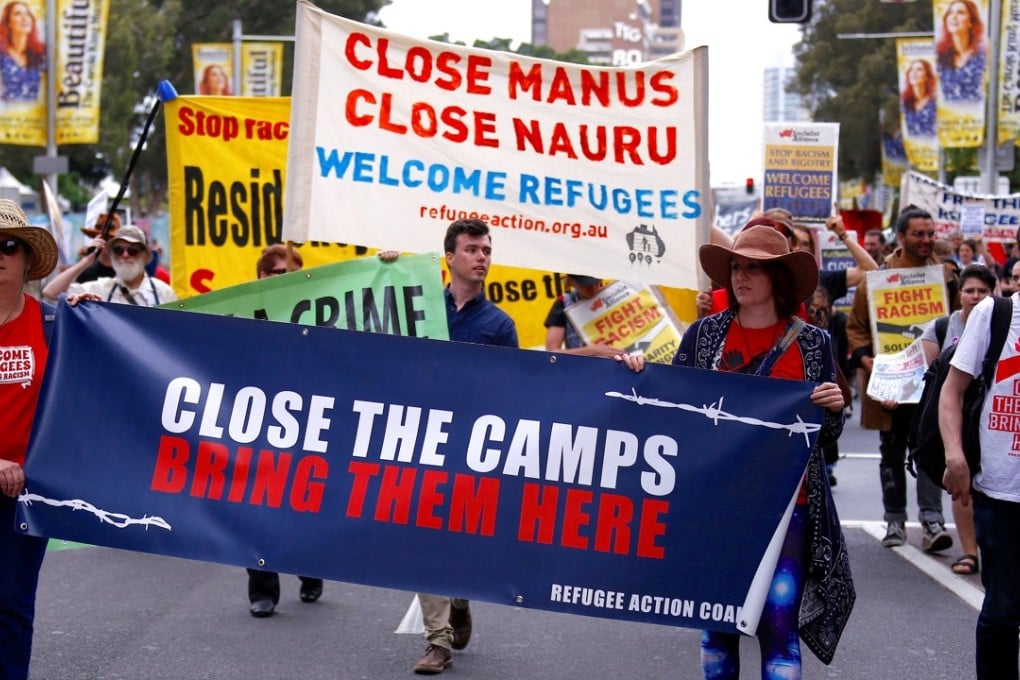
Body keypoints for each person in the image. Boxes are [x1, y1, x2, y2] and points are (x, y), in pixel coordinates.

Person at [620, 224, 854, 677]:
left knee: (778, 625)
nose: (741, 276)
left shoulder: (812, 343)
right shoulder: (703, 335)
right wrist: (636, 370)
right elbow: (673, 407)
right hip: (716, 505)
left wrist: (834, 408)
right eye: (736, 267)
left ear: (778, 279)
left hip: (789, 506)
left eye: (753, 268)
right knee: (717, 625)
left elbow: (826, 436)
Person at [413, 218, 518, 675]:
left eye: (487, 250)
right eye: (473, 249)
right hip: (423, 443)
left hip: (473, 450)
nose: (482, 257)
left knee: (460, 540)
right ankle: (438, 642)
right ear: (450, 257)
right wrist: (387, 272)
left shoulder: (500, 324)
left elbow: (514, 390)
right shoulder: (418, 308)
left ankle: (459, 597)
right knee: (424, 537)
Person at [847, 206, 960, 550]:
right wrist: (877, 372)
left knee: (930, 449)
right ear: (900, 237)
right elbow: (856, 331)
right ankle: (894, 521)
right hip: (890, 389)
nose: (926, 240)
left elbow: (957, 329)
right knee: (892, 452)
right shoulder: (875, 281)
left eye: (930, 234)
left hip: (932, 384)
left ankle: (931, 520)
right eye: (918, 234)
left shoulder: (945, 278)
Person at [940, 257, 1020, 680]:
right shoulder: (996, 313)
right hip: (1001, 491)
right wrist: (955, 454)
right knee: (1003, 611)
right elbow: (952, 391)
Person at [244, 242, 321, 617]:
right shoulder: (243, 314)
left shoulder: (318, 315)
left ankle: (311, 568)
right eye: (278, 273)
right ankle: (262, 589)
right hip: (258, 422)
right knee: (256, 505)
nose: (287, 279)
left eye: (295, 272)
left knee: (305, 501)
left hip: (306, 423)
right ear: (261, 277)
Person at [0, 199, 58, 680]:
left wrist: (95, 322)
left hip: (23, 496)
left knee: (13, 605)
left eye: (9, 245)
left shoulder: (54, 324)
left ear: (25, 259)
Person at [921, 264, 996, 576]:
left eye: (982, 291)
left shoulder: (1002, 322)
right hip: (959, 418)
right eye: (970, 290)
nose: (975, 297)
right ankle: (969, 552)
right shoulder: (940, 327)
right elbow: (937, 381)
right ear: (959, 295)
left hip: (991, 418)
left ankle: (993, 551)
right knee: (962, 481)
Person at [43, 225, 176, 306]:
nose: (125, 255)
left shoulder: (163, 292)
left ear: (144, 256)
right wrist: (85, 262)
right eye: (118, 250)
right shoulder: (100, 289)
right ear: (112, 256)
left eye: (133, 250)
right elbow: (50, 292)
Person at [808, 284, 850, 485]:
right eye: (814, 310)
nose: (818, 314)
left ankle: (828, 464)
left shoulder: (818, 338)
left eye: (822, 310)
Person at [543, 274, 624, 358]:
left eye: (596, 282)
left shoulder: (617, 293)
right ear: (571, 282)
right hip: (582, 367)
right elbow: (551, 352)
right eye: (586, 285)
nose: (593, 288)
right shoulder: (563, 303)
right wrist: (591, 351)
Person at [936, 0, 987, 103]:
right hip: (948, 116)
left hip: (979, 115)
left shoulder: (983, 54)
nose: (953, 17)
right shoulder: (940, 56)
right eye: (950, 13)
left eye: (960, 13)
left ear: (971, 22)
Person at [0, 1, 45, 102]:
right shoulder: (2, 53)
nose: (25, 18)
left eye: (27, 14)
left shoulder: (41, 52)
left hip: (34, 114)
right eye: (18, 14)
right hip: (7, 115)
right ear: (9, 23)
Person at [901, 58, 937, 137]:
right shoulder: (904, 102)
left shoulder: (935, 103)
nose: (913, 73)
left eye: (919, 69)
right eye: (911, 69)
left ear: (926, 77)